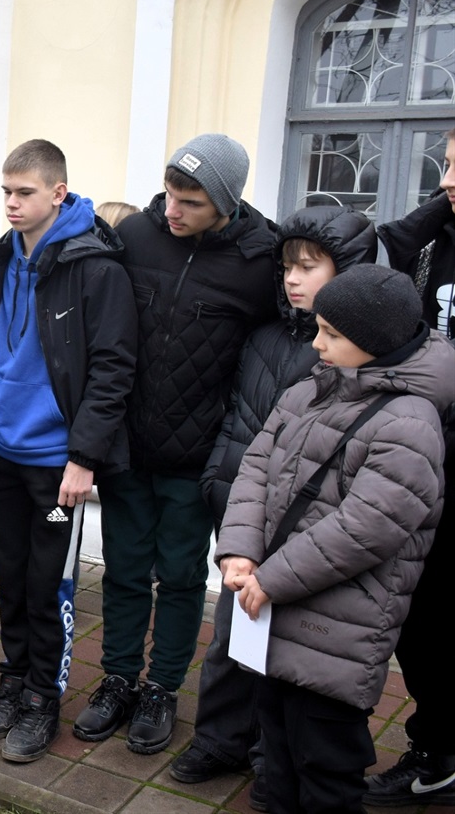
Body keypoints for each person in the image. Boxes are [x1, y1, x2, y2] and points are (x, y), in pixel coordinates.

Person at [216, 263, 454, 814]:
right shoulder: (313, 389)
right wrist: (240, 552)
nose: (316, 343)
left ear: (375, 343)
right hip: (272, 604)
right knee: (275, 750)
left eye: (332, 334)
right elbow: (256, 466)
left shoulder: (410, 422)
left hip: (339, 628)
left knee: (325, 763)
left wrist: (269, 578)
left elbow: (367, 527)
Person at [74, 134, 278, 755]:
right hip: (128, 448)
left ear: (225, 202)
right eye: (169, 194)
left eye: (189, 202)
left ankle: (161, 688)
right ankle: (118, 679)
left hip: (199, 457)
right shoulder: (137, 236)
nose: (172, 211)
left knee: (184, 576)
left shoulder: (260, 259)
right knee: (126, 569)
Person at [169, 206, 377, 801]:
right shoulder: (264, 334)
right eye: (287, 266)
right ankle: (219, 739)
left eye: (308, 268)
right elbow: (241, 422)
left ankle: (272, 755)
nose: (291, 279)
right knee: (233, 633)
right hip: (245, 509)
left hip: (310, 527)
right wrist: (219, 483)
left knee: (293, 648)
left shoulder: (353, 357)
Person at [0, 140, 137, 762]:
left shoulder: (97, 268)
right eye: (6, 191)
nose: (11, 203)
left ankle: (41, 699)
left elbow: (112, 370)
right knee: (8, 575)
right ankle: (12, 682)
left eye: (24, 192)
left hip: (58, 461)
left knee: (47, 584)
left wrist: (84, 457)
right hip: (2, 450)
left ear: (58, 192)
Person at [365, 127, 455, 807]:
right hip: (426, 460)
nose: (449, 180)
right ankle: (436, 750)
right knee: (421, 622)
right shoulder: (431, 244)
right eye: (448, 165)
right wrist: (441, 204)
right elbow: (382, 249)